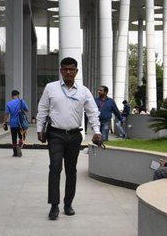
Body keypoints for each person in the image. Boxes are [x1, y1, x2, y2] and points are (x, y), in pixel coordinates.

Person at [36, 57, 102, 221]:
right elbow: (43, 109)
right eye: (64, 69)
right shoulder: (51, 88)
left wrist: (97, 131)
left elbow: (93, 112)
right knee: (55, 167)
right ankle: (54, 205)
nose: (68, 72)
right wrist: (39, 129)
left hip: (74, 136)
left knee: (71, 170)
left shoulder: (84, 91)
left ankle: (68, 204)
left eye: (71, 69)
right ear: (60, 71)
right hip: (55, 135)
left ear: (76, 71)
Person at [3, 89, 29, 157]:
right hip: (21, 124)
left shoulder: (8, 104)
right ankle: (19, 146)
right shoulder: (21, 101)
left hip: (13, 124)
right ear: (17, 95)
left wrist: (4, 122)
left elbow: (7, 114)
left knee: (14, 138)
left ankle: (15, 153)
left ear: (12, 96)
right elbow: (27, 110)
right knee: (21, 137)